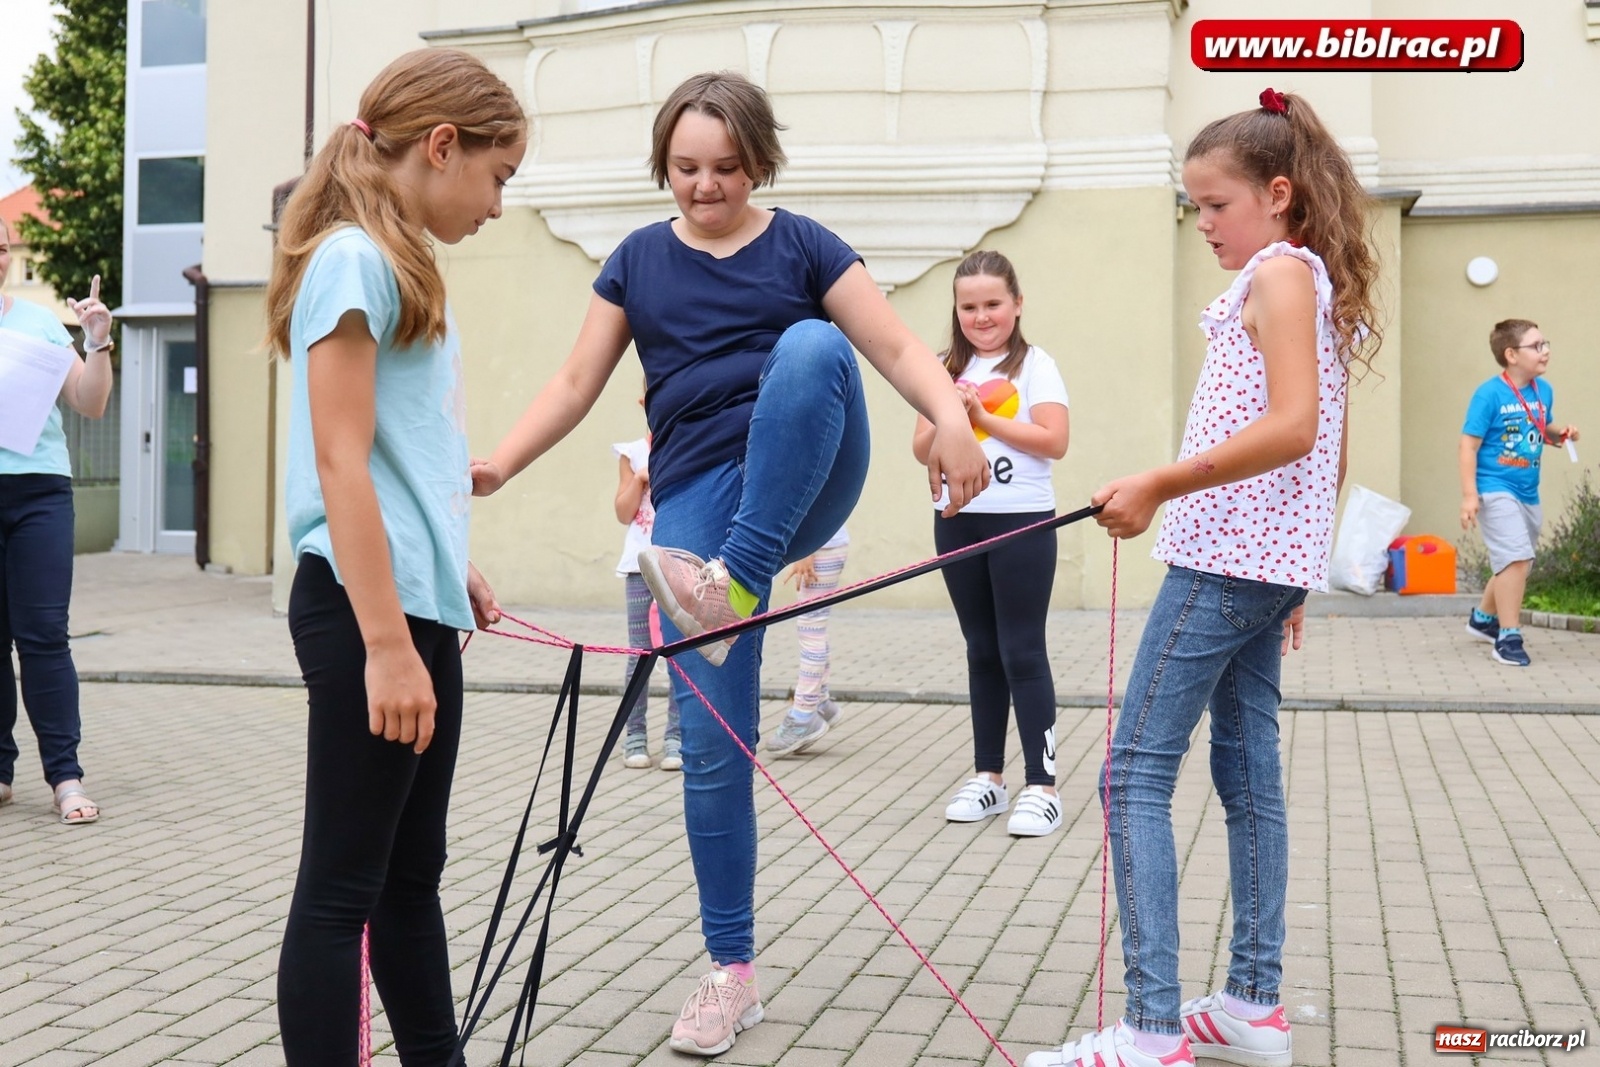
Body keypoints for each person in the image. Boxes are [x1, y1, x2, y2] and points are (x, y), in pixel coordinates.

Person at [471, 71, 988, 1057]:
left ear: (759, 162)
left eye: (725, 167)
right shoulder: (636, 260)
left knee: (812, 344)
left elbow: (888, 345)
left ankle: (737, 583)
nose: (705, 186)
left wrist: (951, 417)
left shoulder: (804, 244)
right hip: (697, 494)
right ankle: (731, 972)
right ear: (663, 165)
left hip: (806, 463)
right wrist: (500, 462)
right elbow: (575, 382)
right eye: (685, 168)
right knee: (710, 747)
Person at [1026, 89, 1382, 1067]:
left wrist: (1158, 481)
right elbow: (1331, 438)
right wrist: (1298, 568)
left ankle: (1149, 1028)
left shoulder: (1279, 275)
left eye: (1216, 203)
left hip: (1223, 559)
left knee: (1133, 770)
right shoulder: (1305, 278)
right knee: (1246, 768)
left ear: (1277, 194)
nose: (1204, 223)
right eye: (1194, 207)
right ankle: (1251, 1007)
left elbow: (1296, 427)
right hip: (1260, 563)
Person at [264, 47, 521, 1067]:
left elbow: (394, 454)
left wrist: (446, 562)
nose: (498, 204)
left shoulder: (397, 260)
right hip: (367, 615)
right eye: (498, 176)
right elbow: (339, 459)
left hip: (414, 604)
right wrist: (383, 642)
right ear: (442, 145)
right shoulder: (353, 259)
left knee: (409, 881)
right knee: (340, 891)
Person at [912, 250, 1069, 837]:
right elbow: (921, 447)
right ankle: (989, 778)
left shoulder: (1036, 366)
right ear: (956, 310)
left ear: (1017, 304)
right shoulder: (940, 368)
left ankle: (1042, 786)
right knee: (980, 649)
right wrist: (949, 414)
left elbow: (1054, 440)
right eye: (969, 306)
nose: (981, 317)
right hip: (958, 522)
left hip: (1022, 523)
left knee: (1021, 650)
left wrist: (980, 416)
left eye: (993, 304)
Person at [0, 222, 114, 826]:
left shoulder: (40, 324)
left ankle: (65, 778)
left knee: (44, 635)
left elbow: (89, 403)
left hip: (38, 492)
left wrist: (97, 342)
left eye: (1, 249)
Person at [1459, 319, 1579, 668]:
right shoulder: (1489, 394)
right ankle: (1508, 637)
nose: (1546, 351)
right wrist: (1470, 495)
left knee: (1517, 564)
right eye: (1537, 346)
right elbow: (1468, 446)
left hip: (1528, 491)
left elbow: (1540, 426)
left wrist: (1560, 434)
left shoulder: (1543, 390)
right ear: (1511, 355)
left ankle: (1483, 619)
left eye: (1545, 343)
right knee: (1516, 559)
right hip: (1495, 487)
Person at [613, 426, 683, 768]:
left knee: (680, 654)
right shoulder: (632, 453)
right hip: (639, 568)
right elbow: (623, 513)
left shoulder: (688, 442)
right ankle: (635, 735)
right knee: (640, 654)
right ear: (644, 402)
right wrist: (640, 480)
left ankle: (677, 737)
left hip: (679, 565)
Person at [764, 523, 849, 757]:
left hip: (820, 548)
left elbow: (811, 503)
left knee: (811, 630)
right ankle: (820, 701)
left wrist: (805, 552)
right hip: (825, 545)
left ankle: (803, 715)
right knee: (814, 627)